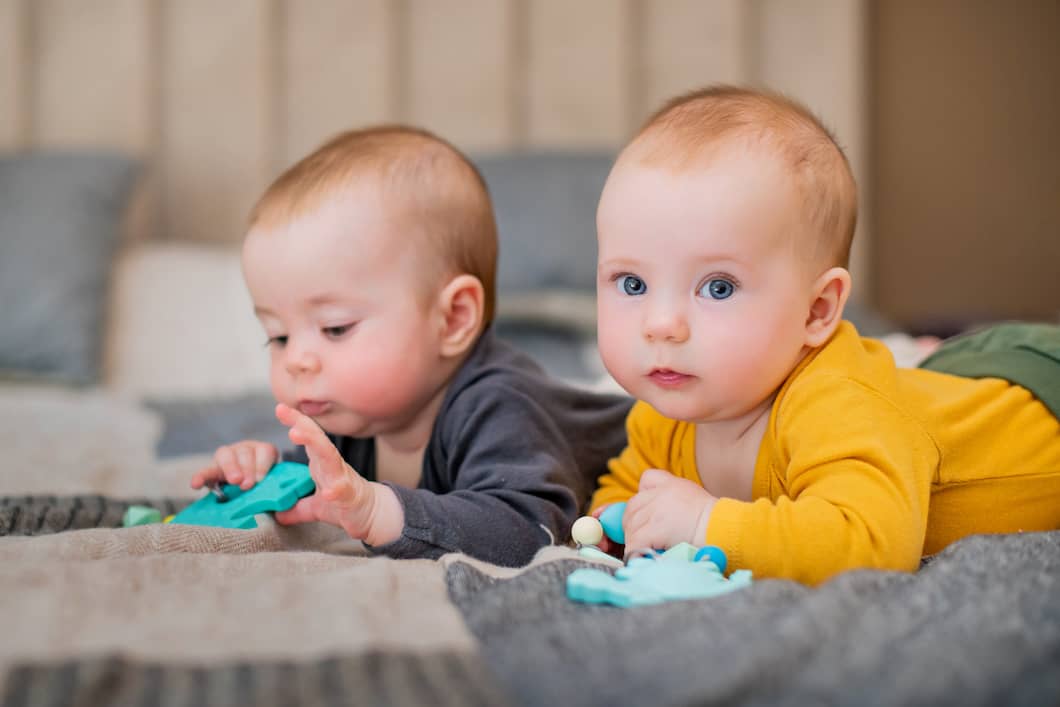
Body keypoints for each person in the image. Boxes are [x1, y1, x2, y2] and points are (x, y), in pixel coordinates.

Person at [589, 85, 1060, 585]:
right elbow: (631, 485)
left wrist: (705, 523)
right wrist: (613, 523)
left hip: (1039, 393)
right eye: (632, 284)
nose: (661, 324)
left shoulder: (834, 405)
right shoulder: (664, 413)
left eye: (718, 287)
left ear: (816, 311)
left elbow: (870, 543)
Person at [191, 125, 632, 567]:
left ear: (453, 318)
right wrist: (261, 471)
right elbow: (329, 487)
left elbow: (529, 531)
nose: (296, 361)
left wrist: (377, 512)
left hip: (660, 445)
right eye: (279, 336)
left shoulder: (498, 405)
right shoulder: (357, 415)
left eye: (335, 328)